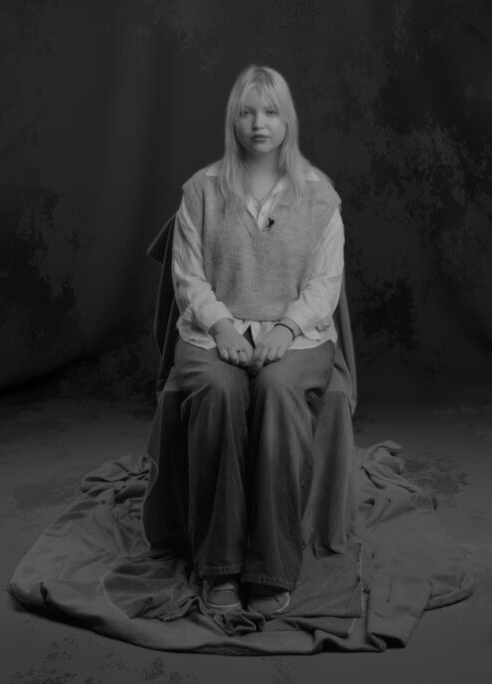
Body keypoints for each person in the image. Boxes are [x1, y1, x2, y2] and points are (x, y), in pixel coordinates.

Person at [168, 64, 345, 617]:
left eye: (270, 111)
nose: (258, 123)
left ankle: (270, 568)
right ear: (233, 121)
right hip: (211, 333)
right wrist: (222, 326)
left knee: (276, 392)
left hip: (298, 336)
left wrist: (287, 328)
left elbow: (325, 284)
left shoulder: (319, 196)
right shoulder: (200, 190)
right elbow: (188, 277)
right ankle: (218, 566)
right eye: (247, 112)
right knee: (222, 393)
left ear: (287, 120)